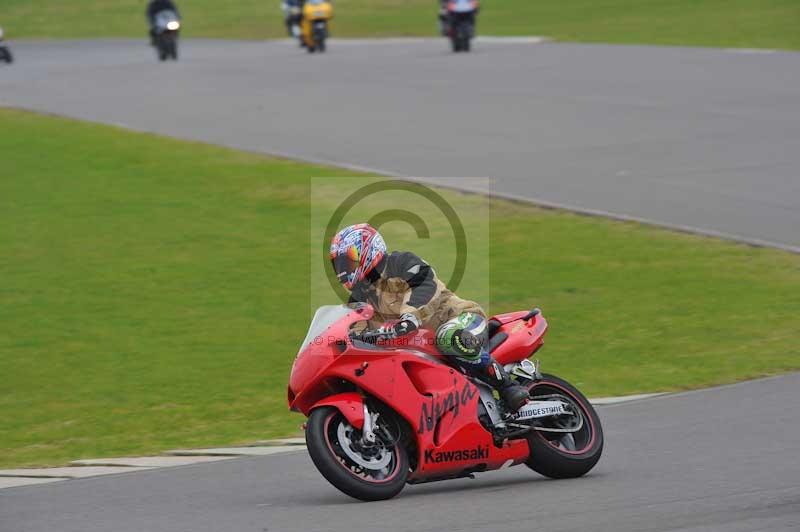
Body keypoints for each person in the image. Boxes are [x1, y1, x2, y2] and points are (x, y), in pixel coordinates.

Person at [330, 223, 530, 412]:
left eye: (348, 261)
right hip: (421, 347)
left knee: (448, 336)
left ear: (367, 250)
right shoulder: (358, 298)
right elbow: (354, 329)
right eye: (338, 264)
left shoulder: (401, 263)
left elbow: (425, 288)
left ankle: (507, 387)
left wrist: (409, 319)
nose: (343, 270)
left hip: (460, 318)